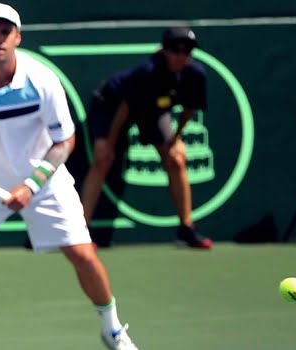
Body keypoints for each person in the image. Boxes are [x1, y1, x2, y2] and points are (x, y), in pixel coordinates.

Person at [0, 3, 138, 350]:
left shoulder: (41, 81)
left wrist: (31, 185)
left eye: (5, 32)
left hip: (42, 182)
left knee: (84, 255)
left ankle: (112, 328)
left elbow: (64, 140)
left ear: (18, 37)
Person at [81, 27, 213, 249]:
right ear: (164, 51)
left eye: (187, 51)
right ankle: (81, 232)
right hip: (111, 106)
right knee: (103, 159)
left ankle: (186, 229)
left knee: (177, 158)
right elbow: (124, 110)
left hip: (153, 111)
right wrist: (111, 144)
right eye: (176, 50)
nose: (182, 56)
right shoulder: (147, 72)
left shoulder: (195, 75)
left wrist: (175, 139)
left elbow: (189, 109)